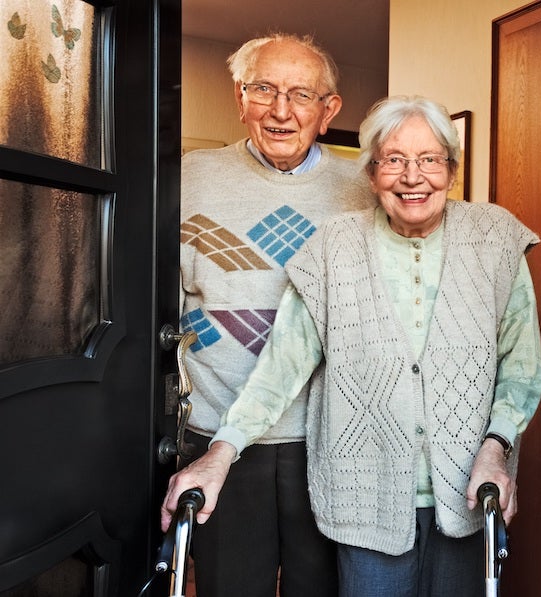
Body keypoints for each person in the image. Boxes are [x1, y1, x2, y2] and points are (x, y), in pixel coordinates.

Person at [164, 95, 541, 597]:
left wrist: (497, 448)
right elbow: (283, 367)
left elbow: (521, 368)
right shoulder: (332, 248)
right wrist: (220, 451)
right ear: (371, 175)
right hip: (366, 497)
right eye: (393, 160)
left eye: (429, 159)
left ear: (451, 171)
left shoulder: (495, 240)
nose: (413, 177)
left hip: (470, 492)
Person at [174, 32, 374, 597]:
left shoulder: (363, 186)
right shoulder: (188, 177)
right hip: (219, 431)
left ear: (329, 109)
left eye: (301, 95)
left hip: (328, 434)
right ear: (240, 98)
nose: (281, 110)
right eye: (263, 89)